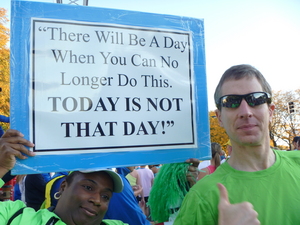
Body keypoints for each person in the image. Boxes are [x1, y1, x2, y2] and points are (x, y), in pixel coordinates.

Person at [174, 64, 300, 225]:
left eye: (255, 99)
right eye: (231, 102)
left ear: (270, 111)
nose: (245, 111)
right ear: (219, 117)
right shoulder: (201, 198)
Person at [0, 129, 128, 225]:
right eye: (88, 187)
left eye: (105, 196)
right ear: (63, 186)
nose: (97, 200)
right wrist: (1, 167)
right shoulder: (15, 217)